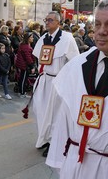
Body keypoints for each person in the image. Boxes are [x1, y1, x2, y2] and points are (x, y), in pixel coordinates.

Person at [46, 0, 108, 179]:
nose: (101, 32)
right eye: (97, 24)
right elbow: (63, 118)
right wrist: (60, 162)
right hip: (76, 165)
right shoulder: (76, 66)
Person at [31, 11, 79, 157]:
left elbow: (74, 62)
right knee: (40, 111)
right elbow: (38, 59)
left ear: (58, 22)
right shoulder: (43, 38)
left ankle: (53, 142)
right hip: (44, 80)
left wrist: (70, 83)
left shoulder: (67, 38)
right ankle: (43, 138)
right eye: (46, 20)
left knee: (54, 113)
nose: (46, 22)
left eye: (50, 20)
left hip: (58, 81)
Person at [15, 32, 36, 98]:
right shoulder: (26, 47)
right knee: (23, 79)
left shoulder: (23, 45)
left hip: (22, 65)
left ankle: (21, 91)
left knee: (22, 78)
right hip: (24, 66)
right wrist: (32, 66)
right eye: (31, 37)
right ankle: (22, 93)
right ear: (28, 38)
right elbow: (28, 58)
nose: (33, 38)